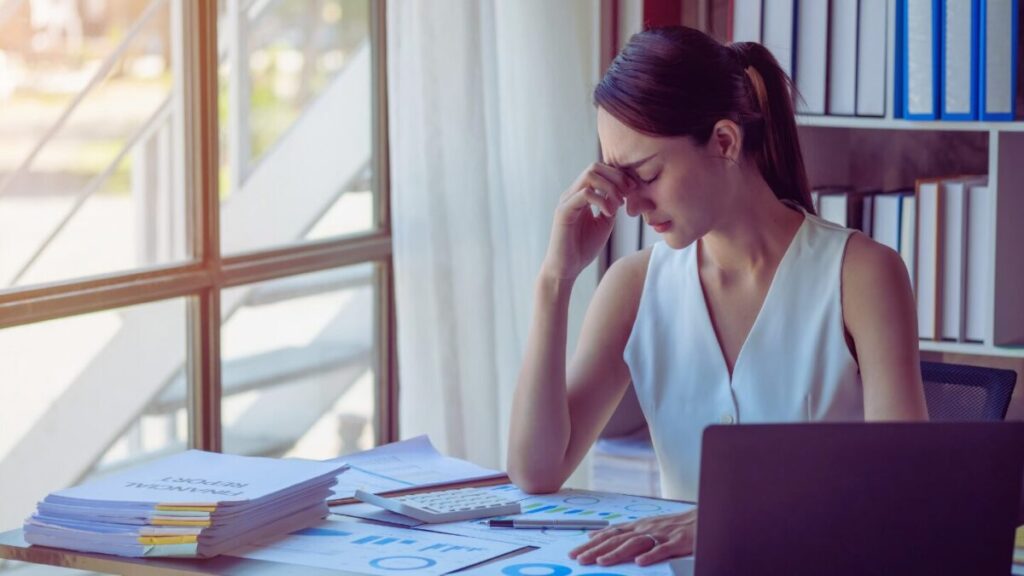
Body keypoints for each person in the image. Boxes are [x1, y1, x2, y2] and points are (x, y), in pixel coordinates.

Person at [506, 26, 929, 568]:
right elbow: (536, 469)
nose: (631, 206)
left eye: (647, 174)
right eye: (619, 178)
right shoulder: (633, 288)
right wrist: (555, 280)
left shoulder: (862, 275)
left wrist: (737, 513)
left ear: (725, 142)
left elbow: (907, 483)